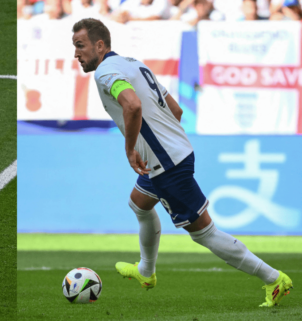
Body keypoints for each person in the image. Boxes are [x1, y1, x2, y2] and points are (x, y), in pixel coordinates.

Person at [71, 18, 293, 307]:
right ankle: (146, 272)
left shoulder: (105, 72)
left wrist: (131, 149)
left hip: (166, 164)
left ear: (100, 45)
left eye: (80, 46)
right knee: (139, 203)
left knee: (205, 233)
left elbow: (133, 104)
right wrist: (163, 145)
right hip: (173, 154)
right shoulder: (134, 63)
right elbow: (175, 109)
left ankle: (274, 279)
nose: (76, 53)